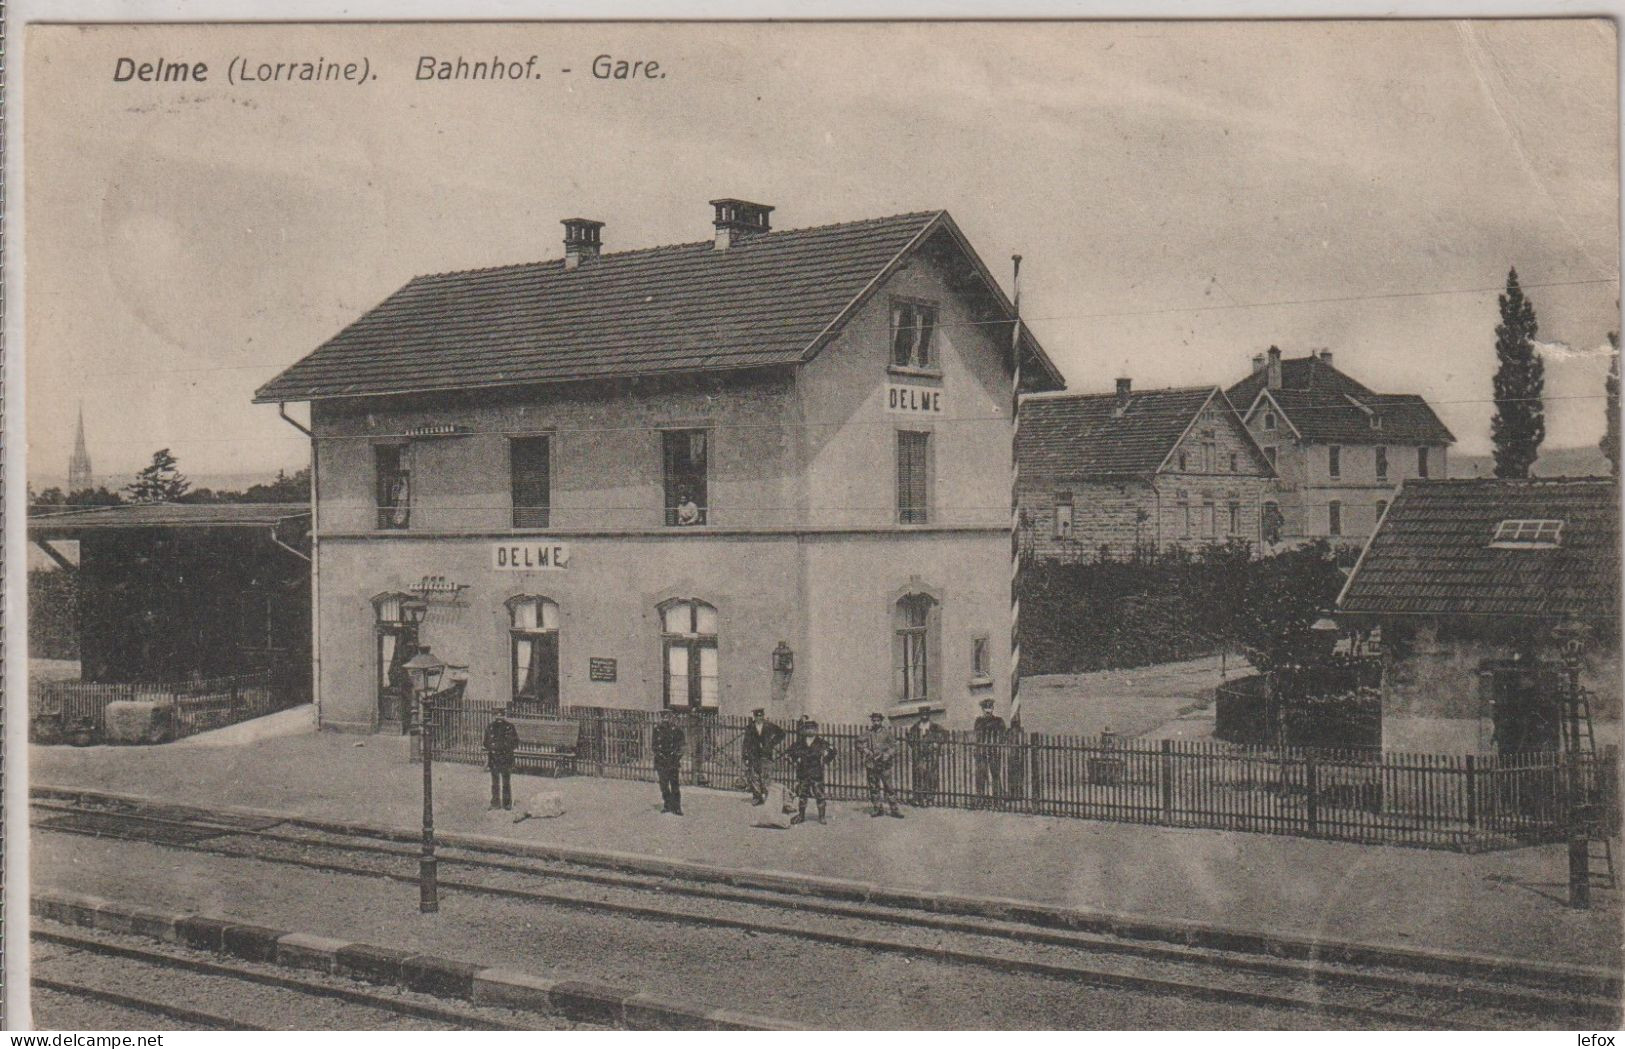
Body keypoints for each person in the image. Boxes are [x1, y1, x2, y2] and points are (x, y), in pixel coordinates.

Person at [785, 720, 836, 825]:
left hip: (816, 773)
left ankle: (821, 817)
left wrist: (826, 758)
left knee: (820, 795)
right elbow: (789, 752)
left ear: (816, 730)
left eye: (812, 728)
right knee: (802, 795)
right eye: (807, 728)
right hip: (803, 773)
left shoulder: (821, 743)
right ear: (804, 730)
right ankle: (801, 816)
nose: (810, 730)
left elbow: (833, 751)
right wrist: (795, 759)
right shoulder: (799, 743)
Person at [858, 712, 904, 818]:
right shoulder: (868, 733)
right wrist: (864, 749)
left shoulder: (887, 733)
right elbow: (858, 742)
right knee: (874, 787)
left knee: (889, 787)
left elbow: (894, 746)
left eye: (878, 720)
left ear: (881, 721)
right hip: (872, 764)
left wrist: (888, 754)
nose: (876, 722)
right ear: (872, 721)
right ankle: (877, 808)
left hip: (884, 764)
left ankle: (894, 809)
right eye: (874, 721)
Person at [740, 707, 786, 806]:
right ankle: (757, 797)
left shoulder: (769, 725)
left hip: (766, 755)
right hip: (754, 755)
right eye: (757, 716)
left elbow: (781, 733)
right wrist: (745, 756)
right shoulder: (750, 727)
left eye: (761, 715)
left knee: (766, 776)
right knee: (754, 776)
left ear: (763, 716)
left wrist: (772, 743)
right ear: (754, 717)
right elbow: (746, 742)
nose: (759, 718)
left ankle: (768, 797)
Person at [907, 707, 947, 806]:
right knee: (918, 774)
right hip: (919, 754)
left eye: (926, 713)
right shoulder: (915, 727)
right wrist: (915, 747)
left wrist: (937, 743)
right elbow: (909, 738)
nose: (924, 715)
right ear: (920, 715)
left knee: (931, 775)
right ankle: (918, 797)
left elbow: (945, 735)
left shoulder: (935, 727)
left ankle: (929, 797)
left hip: (931, 755)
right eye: (922, 713)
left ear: (929, 715)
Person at [973, 697, 1007, 808]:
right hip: (982, 753)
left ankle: (997, 800)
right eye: (985, 709)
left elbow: (1003, 735)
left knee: (995, 775)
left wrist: (998, 743)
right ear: (982, 710)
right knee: (981, 776)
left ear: (992, 708)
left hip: (994, 752)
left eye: (990, 708)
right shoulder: (978, 721)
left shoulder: (998, 721)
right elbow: (976, 735)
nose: (988, 711)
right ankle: (981, 799)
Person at [482, 711, 520, 810]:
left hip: (506, 757)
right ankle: (495, 803)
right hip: (494, 757)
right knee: (495, 781)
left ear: (504, 716)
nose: (499, 717)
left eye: (501, 715)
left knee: (506, 781)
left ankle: (507, 803)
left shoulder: (509, 727)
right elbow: (486, 742)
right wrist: (492, 748)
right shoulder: (490, 727)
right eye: (497, 715)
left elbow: (515, 742)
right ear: (494, 716)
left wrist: (505, 749)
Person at [652, 709, 686, 815]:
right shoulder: (657, 729)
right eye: (663, 717)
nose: (665, 719)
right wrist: (659, 754)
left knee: (674, 785)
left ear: (671, 717)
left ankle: (677, 807)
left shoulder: (677, 730)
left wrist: (676, 757)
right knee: (664, 785)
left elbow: (682, 747)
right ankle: (667, 804)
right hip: (661, 761)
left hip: (672, 762)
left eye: (667, 717)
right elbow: (654, 746)